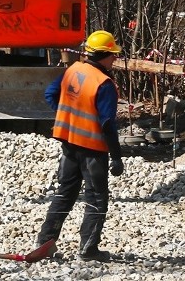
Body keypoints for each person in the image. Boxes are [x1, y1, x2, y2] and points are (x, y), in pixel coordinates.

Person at [36, 30, 124, 262]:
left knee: (65, 193)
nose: (114, 59)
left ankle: (45, 242)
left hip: (69, 144)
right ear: (103, 55)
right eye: (112, 55)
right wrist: (116, 156)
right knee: (96, 198)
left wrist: (69, 119)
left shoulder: (73, 70)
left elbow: (50, 94)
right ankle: (88, 249)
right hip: (93, 150)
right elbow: (107, 123)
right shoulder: (104, 84)